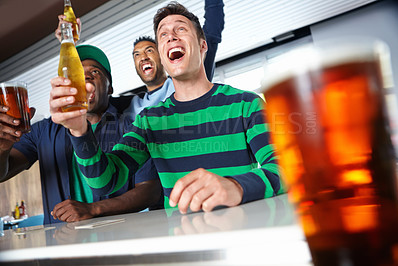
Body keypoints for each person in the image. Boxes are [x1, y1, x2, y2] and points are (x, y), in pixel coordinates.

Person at [50, 2, 284, 215]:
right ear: (163, 56)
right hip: (181, 247)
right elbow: (105, 180)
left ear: (203, 46)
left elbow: (286, 168)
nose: (171, 37)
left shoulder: (246, 104)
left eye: (180, 29)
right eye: (163, 35)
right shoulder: (148, 121)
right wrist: (79, 131)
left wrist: (236, 186)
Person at [0, 45, 161, 224]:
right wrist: (3, 147)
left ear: (110, 88)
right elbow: (2, 173)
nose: (85, 76)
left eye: (95, 72)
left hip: (119, 242)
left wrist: (94, 210)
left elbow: (150, 191)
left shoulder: (133, 125)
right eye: (76, 74)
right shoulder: (43, 131)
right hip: (64, 245)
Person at [124, 0, 224, 118]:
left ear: (162, 55)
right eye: (137, 54)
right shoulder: (129, 107)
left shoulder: (187, 78)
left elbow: (212, 30)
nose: (143, 58)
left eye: (149, 50)